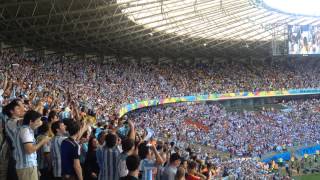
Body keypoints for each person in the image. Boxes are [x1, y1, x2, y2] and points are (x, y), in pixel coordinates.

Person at [14, 110, 51, 180]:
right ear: (31, 122)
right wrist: (43, 141)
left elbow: (40, 123)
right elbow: (29, 150)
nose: (39, 123)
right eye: (38, 121)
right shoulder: (25, 131)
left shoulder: (24, 128)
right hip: (27, 167)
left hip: (28, 166)